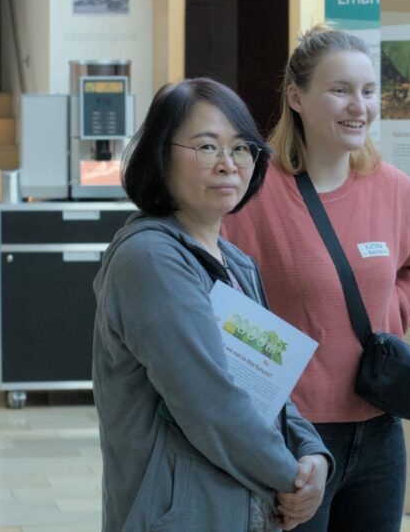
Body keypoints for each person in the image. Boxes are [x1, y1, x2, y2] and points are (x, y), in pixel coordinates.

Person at [223, 25, 410, 532]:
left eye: (368, 92)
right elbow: (222, 305)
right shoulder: (253, 194)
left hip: (379, 428)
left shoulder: (389, 188)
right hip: (293, 437)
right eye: (341, 90)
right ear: (296, 97)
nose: (359, 107)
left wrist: (389, 313)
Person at [92, 78, 332, 532]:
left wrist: (312, 455)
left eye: (241, 148)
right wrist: (290, 479)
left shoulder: (236, 261)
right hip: (179, 516)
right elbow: (210, 403)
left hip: (241, 509)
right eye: (207, 147)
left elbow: (267, 385)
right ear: (162, 154)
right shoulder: (150, 260)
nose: (228, 165)